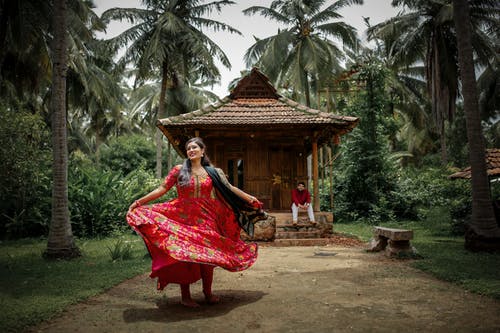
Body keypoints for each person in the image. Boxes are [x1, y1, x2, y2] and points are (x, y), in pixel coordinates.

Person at [127, 137, 262, 308]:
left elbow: (229, 188)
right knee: (185, 256)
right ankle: (185, 296)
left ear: (202, 151)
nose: (191, 150)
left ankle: (208, 293)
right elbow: (162, 189)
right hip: (183, 219)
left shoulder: (213, 172)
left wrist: (249, 198)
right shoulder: (178, 170)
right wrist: (139, 202)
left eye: (194, 148)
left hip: (207, 219)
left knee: (208, 258)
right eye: (188, 148)